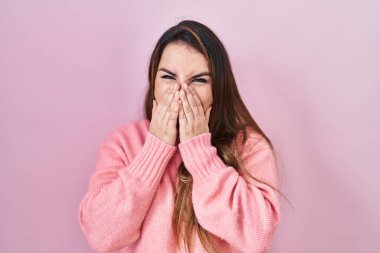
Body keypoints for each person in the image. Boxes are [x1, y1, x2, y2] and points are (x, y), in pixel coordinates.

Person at [77, 19, 284, 253]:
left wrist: (200, 153)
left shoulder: (249, 146)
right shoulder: (123, 142)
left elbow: (257, 236)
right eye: (168, 77)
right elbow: (100, 234)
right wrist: (156, 148)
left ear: (218, 89)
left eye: (199, 80)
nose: (181, 91)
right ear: (153, 83)